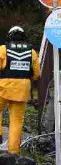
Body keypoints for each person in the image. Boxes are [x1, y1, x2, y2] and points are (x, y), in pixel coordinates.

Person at [0, 26, 40, 154]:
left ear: (9, 36)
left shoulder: (3, 49)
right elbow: (36, 74)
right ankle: (13, 152)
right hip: (22, 89)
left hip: (4, 87)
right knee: (16, 120)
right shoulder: (32, 52)